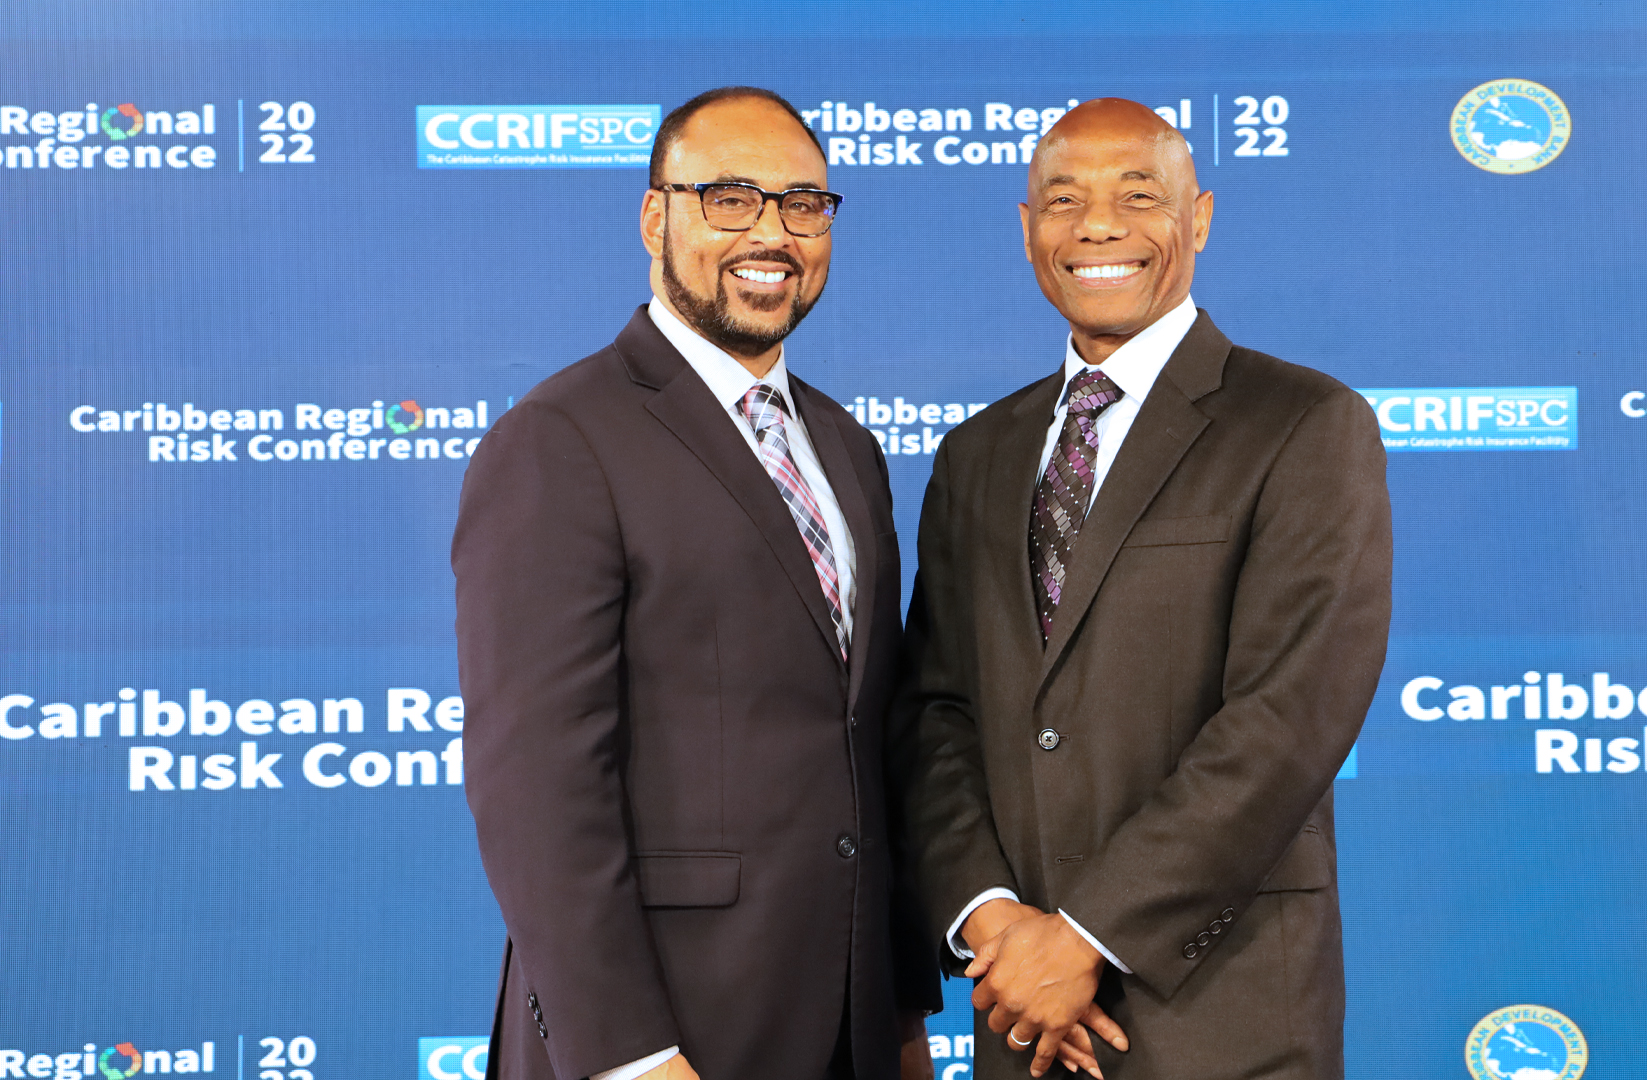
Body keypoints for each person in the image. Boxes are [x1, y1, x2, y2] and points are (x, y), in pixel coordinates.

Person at [897, 99, 1392, 1079]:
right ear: (1027, 227)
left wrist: (1085, 934)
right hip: (1023, 1023)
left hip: (1224, 1019)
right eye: (1064, 200)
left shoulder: (1302, 424)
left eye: (1138, 196)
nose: (1098, 227)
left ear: (1198, 218)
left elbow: (1285, 720)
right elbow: (936, 716)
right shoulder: (976, 454)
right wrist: (999, 929)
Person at [453, 86, 939, 1080]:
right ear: (655, 216)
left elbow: (866, 744)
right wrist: (627, 1053)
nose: (772, 231)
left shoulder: (846, 448)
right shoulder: (560, 440)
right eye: (730, 198)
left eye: (804, 204)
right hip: (663, 1031)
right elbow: (536, 783)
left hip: (845, 1023)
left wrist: (899, 1009)